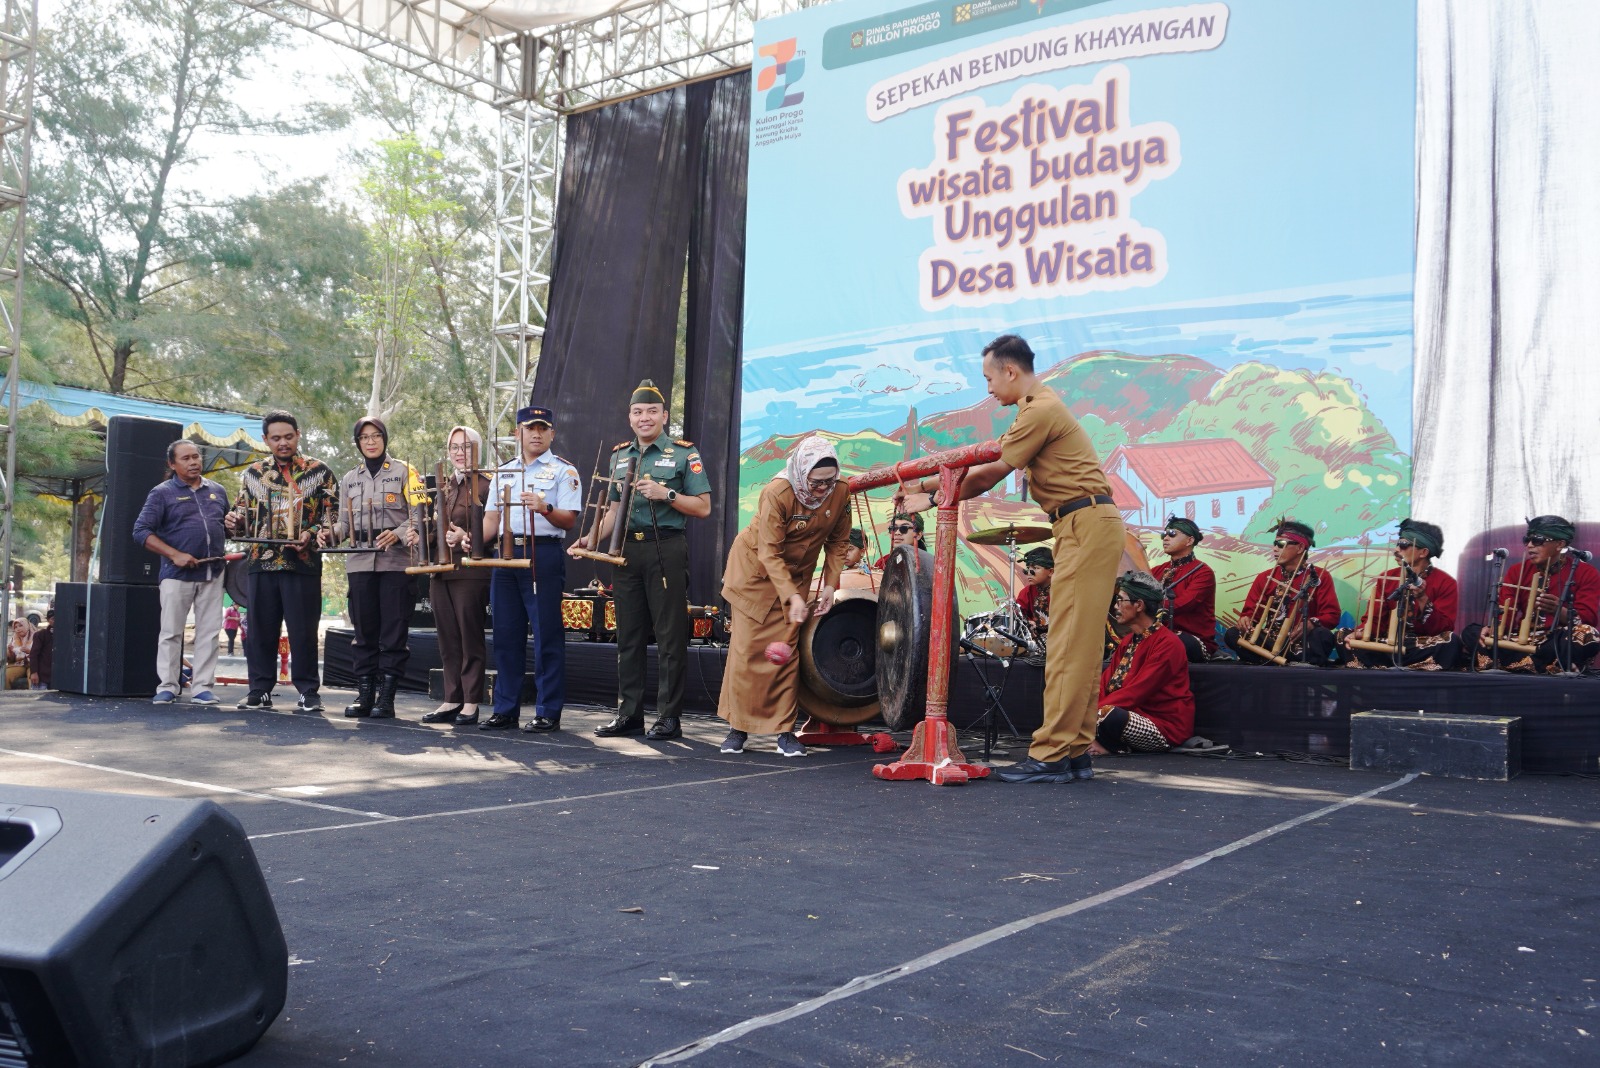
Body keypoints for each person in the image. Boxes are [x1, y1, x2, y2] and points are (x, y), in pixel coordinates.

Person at [901, 334, 1123, 784]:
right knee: (1075, 644)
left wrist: (927, 492)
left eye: (988, 378)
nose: (987, 389)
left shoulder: (1039, 410)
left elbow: (989, 472)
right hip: (1078, 525)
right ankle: (1074, 752)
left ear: (1010, 371)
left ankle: (1050, 755)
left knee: (1066, 648)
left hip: (1087, 524)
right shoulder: (1034, 409)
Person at [574, 379, 712, 741]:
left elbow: (703, 507)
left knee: (669, 637)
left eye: (652, 411)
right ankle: (629, 714)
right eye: (638, 412)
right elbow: (614, 510)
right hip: (625, 552)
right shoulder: (620, 455)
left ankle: (669, 717)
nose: (644, 417)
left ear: (664, 416)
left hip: (664, 547)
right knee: (629, 637)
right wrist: (589, 539)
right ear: (630, 417)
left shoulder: (684, 453)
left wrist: (667, 493)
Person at [717, 436, 852, 758]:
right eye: (816, 483)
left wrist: (830, 585)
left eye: (829, 482)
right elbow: (769, 552)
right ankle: (738, 728)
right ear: (801, 472)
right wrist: (791, 596)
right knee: (749, 652)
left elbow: (838, 542)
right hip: (755, 575)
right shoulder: (778, 492)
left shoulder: (841, 491)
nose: (823, 490)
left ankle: (784, 731)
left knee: (784, 654)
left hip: (796, 577)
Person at [225, 410, 338, 712]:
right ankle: (259, 689)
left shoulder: (319, 471)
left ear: (298, 435)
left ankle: (308, 692)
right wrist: (233, 520)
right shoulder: (252, 474)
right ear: (265, 440)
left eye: (288, 437)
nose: (283, 443)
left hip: (302, 564)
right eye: (276, 438)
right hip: (260, 563)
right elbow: (241, 516)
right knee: (260, 630)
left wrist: (311, 533)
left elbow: (335, 517)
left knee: (303, 631)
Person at [481, 406, 580, 732]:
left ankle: (548, 710)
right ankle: (505, 708)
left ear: (552, 433)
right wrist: (466, 540)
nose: (536, 434)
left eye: (542, 428)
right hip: (506, 557)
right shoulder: (504, 472)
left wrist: (545, 507)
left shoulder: (564, 471)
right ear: (517, 433)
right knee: (506, 637)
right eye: (529, 428)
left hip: (543, 553)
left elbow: (568, 518)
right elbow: (491, 521)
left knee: (546, 635)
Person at [321, 417, 425, 719]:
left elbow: (422, 513)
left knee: (393, 631)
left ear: (385, 438)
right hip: (360, 560)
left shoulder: (408, 472)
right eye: (364, 437)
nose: (370, 441)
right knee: (364, 631)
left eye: (376, 435)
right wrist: (329, 532)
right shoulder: (349, 478)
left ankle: (387, 699)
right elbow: (343, 522)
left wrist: (400, 531)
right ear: (358, 442)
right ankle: (364, 695)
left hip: (396, 560)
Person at [131, 439, 231, 705]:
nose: (194, 462)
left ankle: (202, 688)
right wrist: (175, 554)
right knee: (171, 632)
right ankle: (167, 686)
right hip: (176, 575)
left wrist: (236, 523)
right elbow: (141, 532)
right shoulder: (161, 493)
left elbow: (229, 528)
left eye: (196, 456)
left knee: (209, 633)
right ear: (172, 464)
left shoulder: (218, 491)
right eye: (185, 458)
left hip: (213, 572)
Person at [421, 424, 493, 726]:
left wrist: (465, 535)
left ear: (478, 450)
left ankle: (471, 701)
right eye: (454, 447)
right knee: (447, 637)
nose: (459, 453)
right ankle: (451, 699)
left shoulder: (486, 485)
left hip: (470, 570)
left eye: (466, 447)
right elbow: (436, 525)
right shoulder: (444, 484)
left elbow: (492, 528)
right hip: (441, 570)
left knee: (469, 635)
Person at [1464, 514, 1598, 673]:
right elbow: (1505, 612)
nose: (1529, 545)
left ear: (1560, 544)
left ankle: (1508, 664)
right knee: (1471, 632)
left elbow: (1587, 619)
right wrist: (1494, 628)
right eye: (1526, 540)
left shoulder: (1586, 573)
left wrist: (1559, 611)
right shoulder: (1517, 571)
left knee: (1588, 634)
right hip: (1520, 641)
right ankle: (1540, 665)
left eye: (1537, 541)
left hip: (1553, 642)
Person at [1090, 571, 1194, 756]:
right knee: (1078, 707)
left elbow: (1138, 692)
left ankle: (1113, 746)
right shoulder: (1128, 640)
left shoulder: (1168, 644)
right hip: (1121, 710)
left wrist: (1093, 714)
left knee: (1109, 715)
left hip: (1162, 726)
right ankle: (1099, 737)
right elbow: (1105, 682)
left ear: (1139, 605)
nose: (1116, 606)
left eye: (1121, 600)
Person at [1335, 518, 1459, 669]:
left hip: (1418, 645)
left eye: (1403, 545)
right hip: (1386, 644)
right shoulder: (1386, 578)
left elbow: (1443, 629)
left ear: (1423, 552)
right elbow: (1374, 620)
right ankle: (1388, 666)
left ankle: (1381, 668)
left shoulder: (1445, 582)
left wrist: (1422, 599)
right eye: (1397, 544)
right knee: (1343, 635)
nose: (1396, 550)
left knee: (1451, 641)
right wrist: (1361, 632)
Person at [1221, 519, 1339, 665]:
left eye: (1281, 544)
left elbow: (1332, 615)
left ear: (1300, 547)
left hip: (1299, 643)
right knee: (1233, 634)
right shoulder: (1265, 577)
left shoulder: (1319, 577)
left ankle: (1274, 661)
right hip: (1269, 641)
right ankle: (1281, 661)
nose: (1275, 549)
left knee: (1323, 635)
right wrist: (1246, 620)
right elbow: (1252, 614)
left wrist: (1311, 623)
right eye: (1275, 544)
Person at [1150, 516, 1217, 662]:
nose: (1166, 538)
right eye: (1164, 534)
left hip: (1193, 640)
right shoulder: (1156, 571)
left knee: (1166, 641)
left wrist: (1145, 606)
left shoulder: (1203, 572)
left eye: (1172, 534)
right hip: (1159, 633)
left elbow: (1182, 604)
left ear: (1190, 540)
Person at [1016, 546, 1053, 631]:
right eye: (1028, 568)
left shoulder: (1063, 591)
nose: (1029, 572)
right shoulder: (1026, 592)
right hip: (1035, 641)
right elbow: (1018, 615)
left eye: (1035, 568)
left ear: (1051, 571)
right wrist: (1027, 622)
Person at [28, 609, 53, 690]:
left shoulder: (66, 635)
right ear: (48, 620)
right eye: (53, 618)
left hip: (58, 677)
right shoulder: (41, 635)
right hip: (42, 676)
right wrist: (34, 672)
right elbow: (34, 654)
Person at [5, 618, 31, 689]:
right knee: (4, 675)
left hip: (34, 664)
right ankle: (6, 698)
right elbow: (11, 660)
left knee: (32, 677)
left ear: (27, 625)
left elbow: (43, 654)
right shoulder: (14, 639)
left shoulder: (37, 636)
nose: (18, 629)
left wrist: (29, 652)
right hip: (19, 665)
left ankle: (32, 699)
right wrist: (10, 651)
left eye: (20, 626)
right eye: (15, 627)